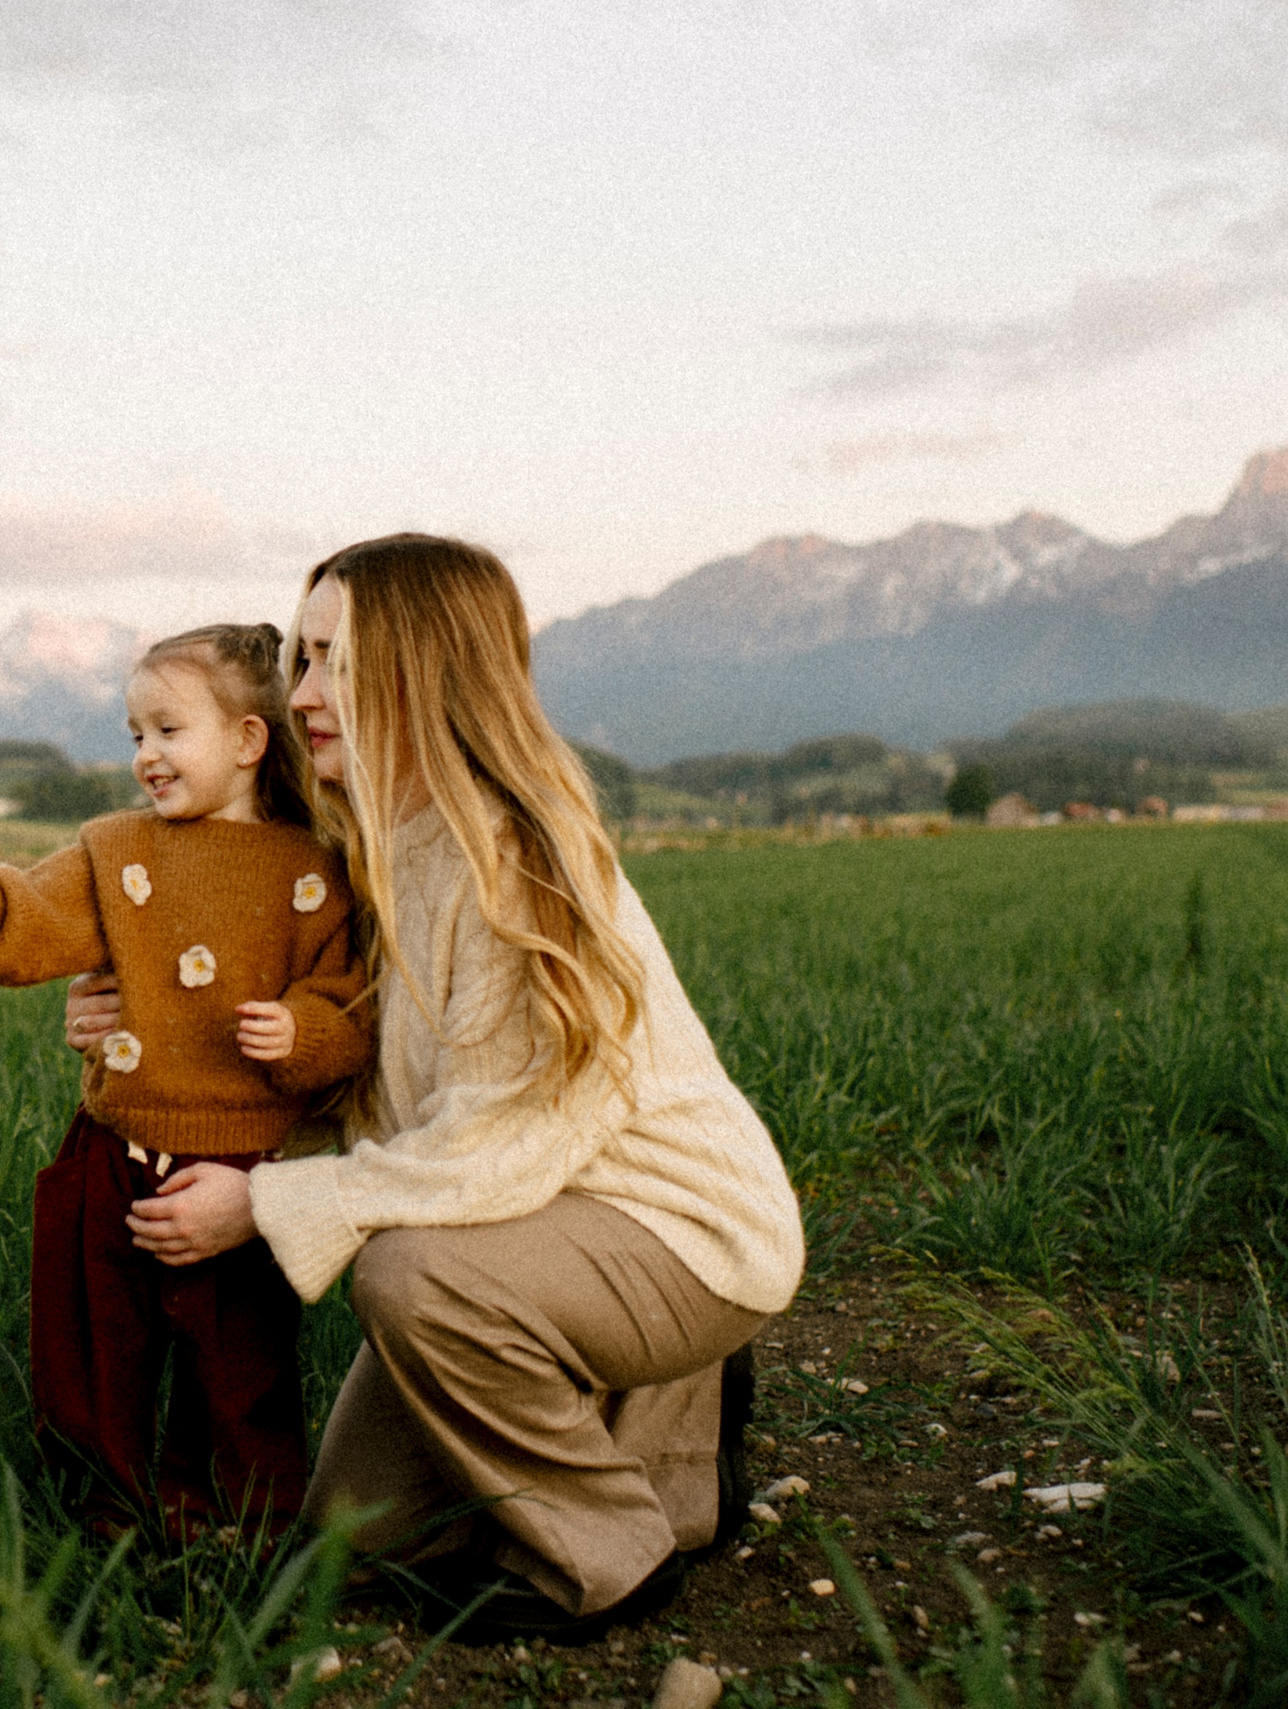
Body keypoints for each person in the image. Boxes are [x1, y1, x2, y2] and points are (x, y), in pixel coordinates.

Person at [69, 539, 804, 1639]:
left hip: (676, 1228)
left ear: (423, 671)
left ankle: (615, 1556)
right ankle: (673, 1447)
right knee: (357, 1541)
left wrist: (262, 1205)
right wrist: (141, 1033)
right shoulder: (374, 841)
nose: (301, 692)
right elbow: (344, 1050)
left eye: (333, 662)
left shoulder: (516, 864)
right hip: (534, 1215)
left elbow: (494, 1141)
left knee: (412, 1279)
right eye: (301, 659)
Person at [0, 625, 372, 1534]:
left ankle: (239, 1519)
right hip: (114, 1150)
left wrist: (303, 1031)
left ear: (250, 741)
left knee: (239, 1364)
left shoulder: (315, 868)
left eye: (169, 731)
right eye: (135, 733)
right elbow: (25, 909)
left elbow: (351, 1008)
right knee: (94, 1348)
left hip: (243, 1170)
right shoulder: (116, 852)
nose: (145, 755)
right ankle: (99, 1517)